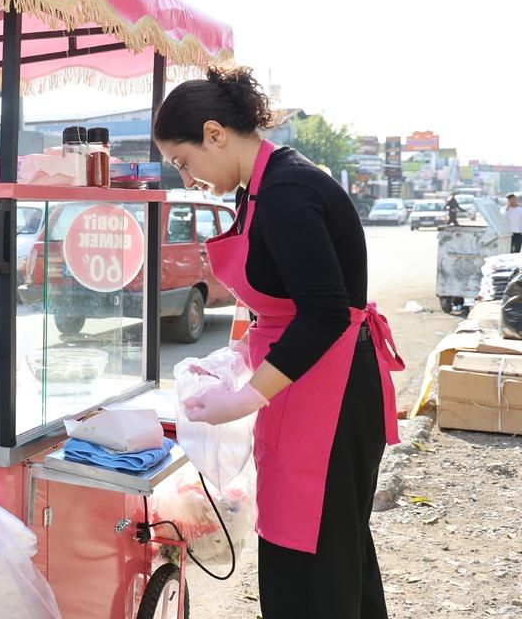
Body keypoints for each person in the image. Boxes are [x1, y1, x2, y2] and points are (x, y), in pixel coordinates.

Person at [153, 67, 405, 619]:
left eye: (183, 160)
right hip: (301, 385)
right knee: (328, 553)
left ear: (215, 134)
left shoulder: (289, 191)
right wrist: (238, 357)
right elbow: (280, 300)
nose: (187, 176)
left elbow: (324, 313)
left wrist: (243, 398)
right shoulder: (260, 189)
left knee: (317, 561)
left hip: (329, 395)